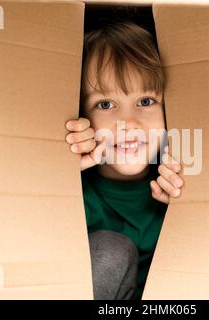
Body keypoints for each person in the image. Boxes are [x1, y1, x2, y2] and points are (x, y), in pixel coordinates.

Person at [65, 21, 184, 300]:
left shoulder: (179, 183)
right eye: (105, 105)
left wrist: (189, 211)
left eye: (145, 101)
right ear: (82, 117)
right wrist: (60, 179)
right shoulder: (78, 196)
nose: (129, 123)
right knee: (111, 251)